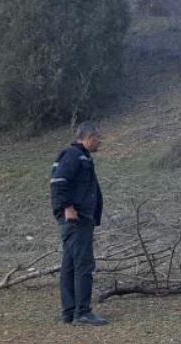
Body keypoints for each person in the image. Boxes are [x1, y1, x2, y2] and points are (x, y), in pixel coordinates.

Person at [50, 121, 108, 325]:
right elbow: (58, 182)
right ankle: (82, 312)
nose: (100, 142)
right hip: (76, 219)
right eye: (98, 138)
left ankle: (70, 311)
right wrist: (67, 208)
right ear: (89, 137)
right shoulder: (73, 156)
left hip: (80, 218)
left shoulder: (81, 157)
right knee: (84, 263)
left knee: (70, 264)